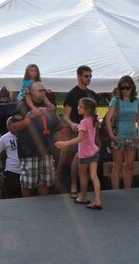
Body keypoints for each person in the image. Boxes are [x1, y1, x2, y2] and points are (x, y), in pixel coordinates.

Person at [9, 81, 61, 197]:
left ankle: (43, 208)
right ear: (31, 92)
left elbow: (56, 126)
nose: (43, 93)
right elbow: (13, 128)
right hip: (29, 152)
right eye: (40, 90)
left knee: (46, 182)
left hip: (46, 150)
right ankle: (29, 210)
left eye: (44, 90)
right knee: (28, 184)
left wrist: (53, 114)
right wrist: (29, 118)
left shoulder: (47, 103)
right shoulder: (22, 105)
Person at [56, 97, 102, 209]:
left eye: (80, 106)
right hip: (94, 151)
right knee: (94, 176)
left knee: (83, 175)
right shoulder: (92, 120)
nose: (78, 108)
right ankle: (98, 200)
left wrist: (64, 143)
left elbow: (79, 139)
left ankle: (83, 197)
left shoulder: (83, 122)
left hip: (85, 154)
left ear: (87, 110)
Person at [105, 75, 139, 190]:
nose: (125, 90)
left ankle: (128, 191)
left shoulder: (137, 100)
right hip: (119, 136)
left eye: (127, 88)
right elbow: (108, 118)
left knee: (129, 165)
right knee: (117, 165)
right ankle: (116, 192)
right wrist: (111, 135)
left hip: (132, 136)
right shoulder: (115, 100)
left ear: (132, 87)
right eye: (122, 88)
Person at [62, 66, 96, 198]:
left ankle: (86, 189)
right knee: (77, 157)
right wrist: (72, 124)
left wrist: (96, 133)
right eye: (86, 76)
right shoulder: (72, 94)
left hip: (91, 132)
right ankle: (73, 184)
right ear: (79, 76)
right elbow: (65, 116)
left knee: (89, 160)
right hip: (77, 131)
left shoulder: (91, 94)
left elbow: (95, 115)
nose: (89, 79)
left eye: (90, 76)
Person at [0, 117, 22, 199]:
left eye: (14, 126)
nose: (12, 129)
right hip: (12, 170)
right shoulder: (5, 138)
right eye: (10, 127)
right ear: (7, 127)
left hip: (25, 169)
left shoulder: (25, 135)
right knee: (12, 196)